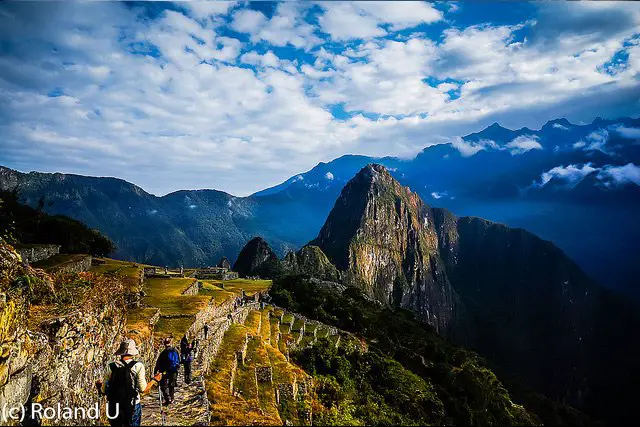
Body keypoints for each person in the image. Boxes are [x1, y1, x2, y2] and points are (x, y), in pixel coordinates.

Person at [97, 339, 162, 427]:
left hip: (114, 405)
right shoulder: (138, 366)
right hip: (132, 404)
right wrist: (155, 379)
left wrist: (99, 387)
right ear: (133, 352)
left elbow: (104, 390)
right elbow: (143, 389)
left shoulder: (111, 366)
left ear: (121, 352)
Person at [154, 337, 180, 405]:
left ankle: (167, 399)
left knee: (164, 385)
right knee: (172, 385)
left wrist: (156, 371)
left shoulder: (163, 352)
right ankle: (172, 398)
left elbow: (158, 362)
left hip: (165, 371)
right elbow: (179, 360)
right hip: (174, 370)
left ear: (164, 344)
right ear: (170, 343)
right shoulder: (175, 350)